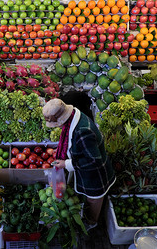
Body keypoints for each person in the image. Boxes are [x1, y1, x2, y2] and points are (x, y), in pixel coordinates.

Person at [43, 98, 116, 231]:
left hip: (96, 174)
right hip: (87, 170)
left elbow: (94, 160)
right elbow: (76, 144)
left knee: (93, 200)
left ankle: (91, 222)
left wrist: (66, 163)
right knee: (89, 199)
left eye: (57, 124)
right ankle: (88, 216)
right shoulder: (75, 116)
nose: (58, 127)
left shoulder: (83, 131)